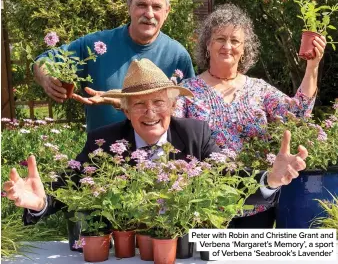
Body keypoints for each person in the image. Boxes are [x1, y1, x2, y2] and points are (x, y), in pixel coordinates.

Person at [4, 58, 307, 228]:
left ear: (173, 105)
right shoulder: (105, 141)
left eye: (159, 102)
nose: (150, 113)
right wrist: (40, 203)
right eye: (139, 104)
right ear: (125, 109)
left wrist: (269, 179)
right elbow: (64, 189)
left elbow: (232, 180)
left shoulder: (195, 134)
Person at [173, 3, 326, 228]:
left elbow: (298, 113)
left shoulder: (259, 89)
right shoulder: (186, 91)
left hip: (257, 202)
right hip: (203, 205)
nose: (228, 46)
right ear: (208, 44)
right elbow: (169, 140)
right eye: (220, 39)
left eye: (235, 41)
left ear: (244, 49)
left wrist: (312, 67)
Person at [33, 0, 195, 132]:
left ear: (167, 11)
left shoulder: (177, 56)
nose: (149, 13)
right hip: (102, 153)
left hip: (157, 155)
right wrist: (47, 78)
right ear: (129, 6)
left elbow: (189, 110)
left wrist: (126, 103)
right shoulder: (96, 46)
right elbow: (45, 61)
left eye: (157, 7)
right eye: (141, 5)